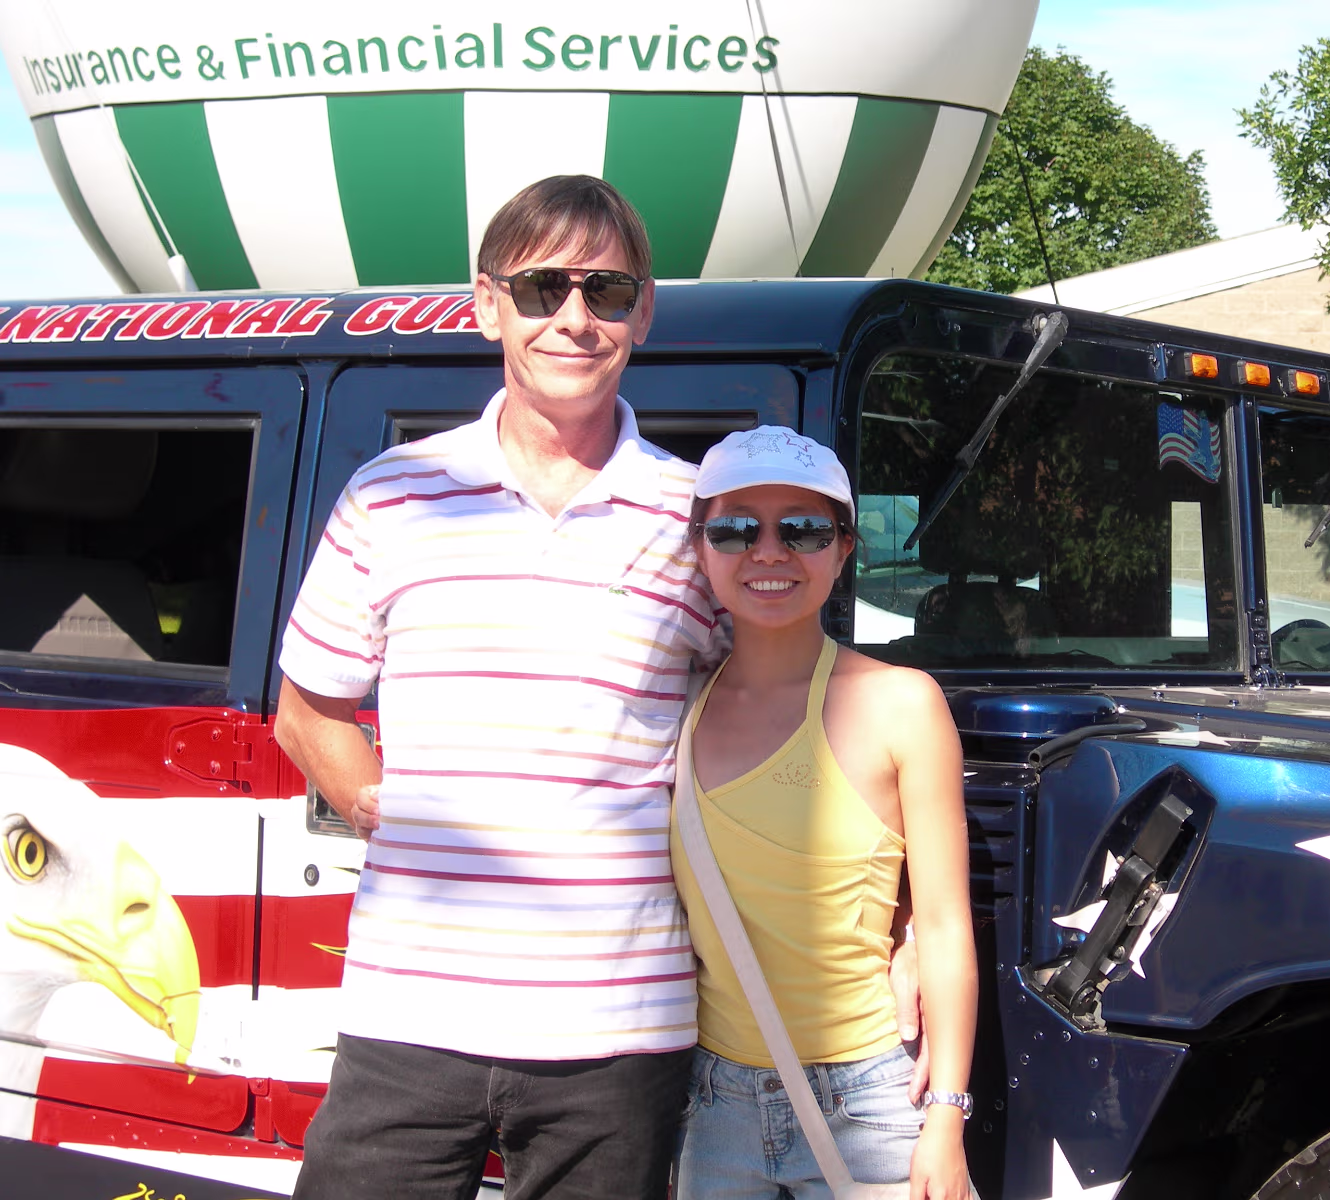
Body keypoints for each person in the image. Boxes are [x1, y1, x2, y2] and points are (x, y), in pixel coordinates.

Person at [274, 175, 728, 1200]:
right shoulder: (393, 494)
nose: (574, 317)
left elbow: (770, 724)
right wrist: (376, 804)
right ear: (488, 305)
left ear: (643, 312)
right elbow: (308, 712)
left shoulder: (699, 517)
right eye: (540, 289)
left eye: (606, 291)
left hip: (620, 1027)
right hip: (409, 1012)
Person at [670, 427, 978, 1200]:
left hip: (869, 1104)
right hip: (713, 1107)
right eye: (736, 530)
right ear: (700, 547)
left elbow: (944, 923)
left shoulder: (901, 704)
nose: (768, 552)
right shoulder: (673, 704)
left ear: (844, 549)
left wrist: (947, 1117)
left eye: (803, 529)